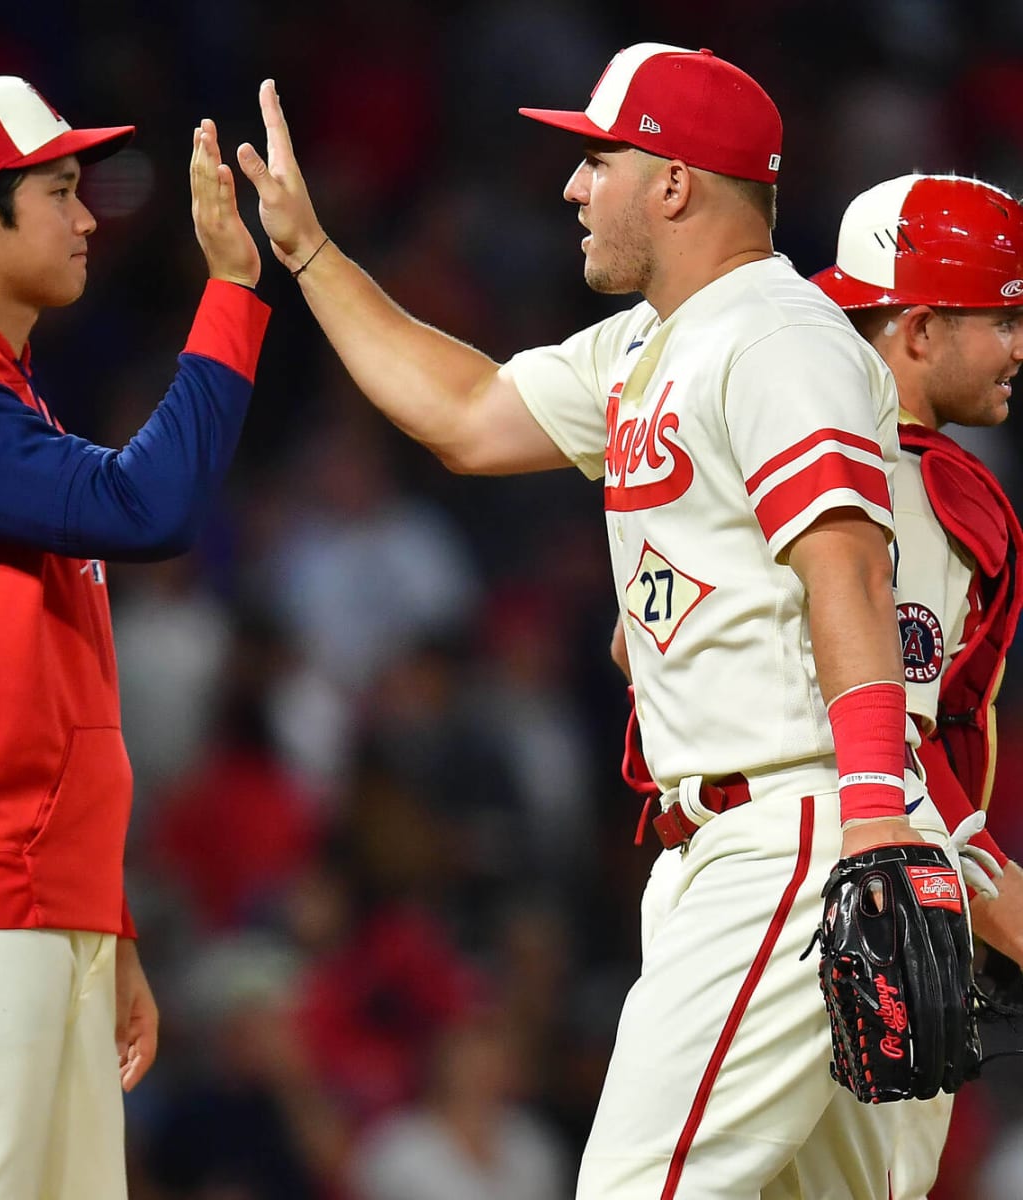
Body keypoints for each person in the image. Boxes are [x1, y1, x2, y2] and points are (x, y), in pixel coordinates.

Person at [236, 42, 962, 1198]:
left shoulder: (776, 337)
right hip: (735, 835)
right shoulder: (649, 341)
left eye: (597, 157)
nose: (573, 186)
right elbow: (467, 413)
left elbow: (848, 576)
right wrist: (312, 256)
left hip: (799, 822)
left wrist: (873, 821)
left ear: (674, 182)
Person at [0, 75, 267, 1198]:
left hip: (21, 900)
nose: (86, 218)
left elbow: (47, 693)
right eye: (61, 190)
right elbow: (147, 507)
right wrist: (229, 294)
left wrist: (98, 914)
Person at [811, 174, 1023, 1195]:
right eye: (1002, 318)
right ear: (922, 329)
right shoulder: (916, 483)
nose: (1019, 348)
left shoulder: (776, 451)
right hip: (871, 901)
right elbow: (896, 745)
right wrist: (990, 895)